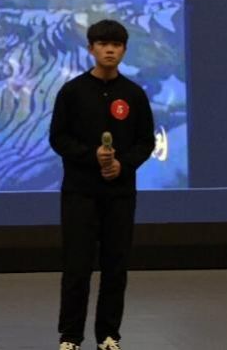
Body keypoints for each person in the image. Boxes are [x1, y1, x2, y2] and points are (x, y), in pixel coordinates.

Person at [49, 18, 156, 350]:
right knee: (77, 267)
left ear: (124, 50)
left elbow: (146, 142)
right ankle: (70, 337)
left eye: (116, 45)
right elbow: (58, 138)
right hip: (79, 193)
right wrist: (90, 156)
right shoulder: (72, 92)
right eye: (103, 44)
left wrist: (123, 165)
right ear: (91, 49)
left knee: (115, 267)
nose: (110, 50)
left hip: (119, 194)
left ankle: (109, 335)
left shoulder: (134, 94)